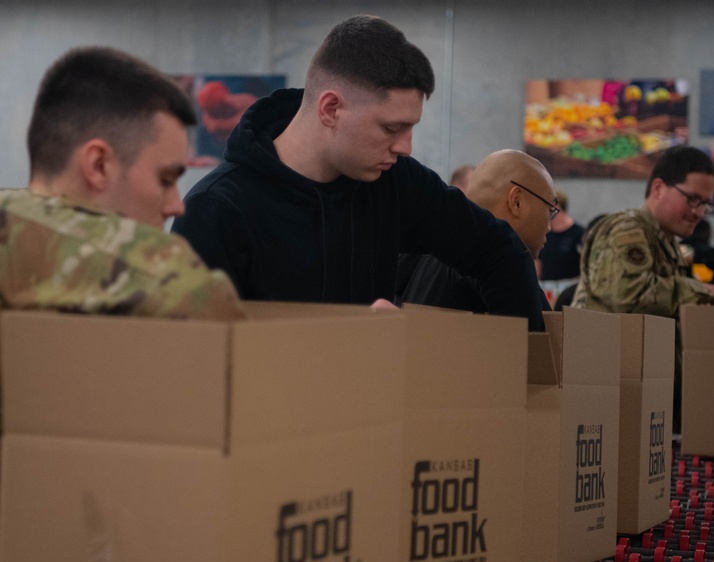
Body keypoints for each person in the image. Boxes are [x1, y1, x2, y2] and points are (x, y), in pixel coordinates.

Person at [172, 15, 544, 331]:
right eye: (391, 128)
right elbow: (197, 364)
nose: (405, 147)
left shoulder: (394, 181)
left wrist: (523, 380)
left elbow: (499, 251)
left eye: (411, 127)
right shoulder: (216, 210)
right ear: (331, 109)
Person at [0, 47, 244, 320]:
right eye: (164, 180)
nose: (177, 207)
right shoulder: (164, 278)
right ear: (98, 166)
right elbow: (212, 308)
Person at [570, 145, 714, 431]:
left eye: (706, 204)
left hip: (642, 393)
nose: (699, 212)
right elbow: (627, 295)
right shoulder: (627, 230)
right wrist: (700, 292)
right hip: (609, 395)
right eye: (693, 199)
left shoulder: (666, 240)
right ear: (658, 187)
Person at [397, 149, 555, 313]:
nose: (550, 226)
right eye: (550, 209)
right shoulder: (499, 265)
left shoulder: (426, 253)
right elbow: (539, 338)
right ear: (516, 202)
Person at [536, 191, 584, 281]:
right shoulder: (544, 234)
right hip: (547, 290)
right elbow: (537, 263)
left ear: (556, 208)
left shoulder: (579, 234)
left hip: (571, 289)